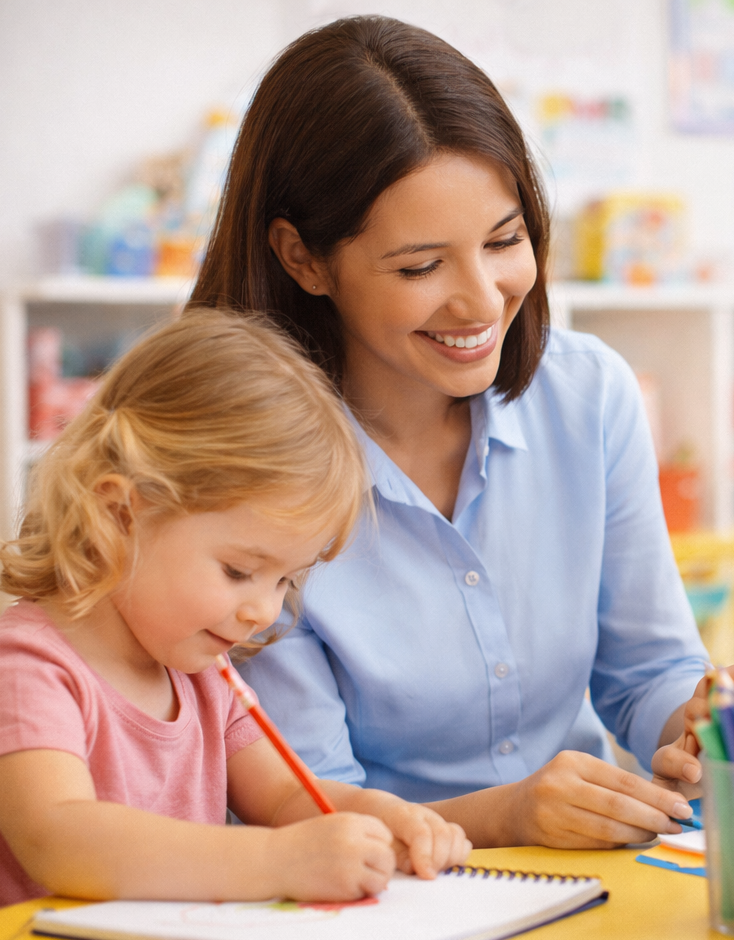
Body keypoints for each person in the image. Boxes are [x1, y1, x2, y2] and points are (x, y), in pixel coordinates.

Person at [191, 16, 706, 849]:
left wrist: (696, 725)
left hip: (584, 887)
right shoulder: (239, 463)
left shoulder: (588, 394)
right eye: (420, 267)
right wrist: (508, 816)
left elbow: (647, 672)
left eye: (505, 241)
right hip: (364, 907)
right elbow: (303, 800)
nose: (481, 301)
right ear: (303, 259)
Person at [0, 310, 469, 922]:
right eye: (238, 570)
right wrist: (278, 861)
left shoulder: (204, 674)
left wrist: (380, 817)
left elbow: (282, 800)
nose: (264, 610)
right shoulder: (21, 670)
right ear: (120, 513)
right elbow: (61, 842)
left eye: (286, 579)